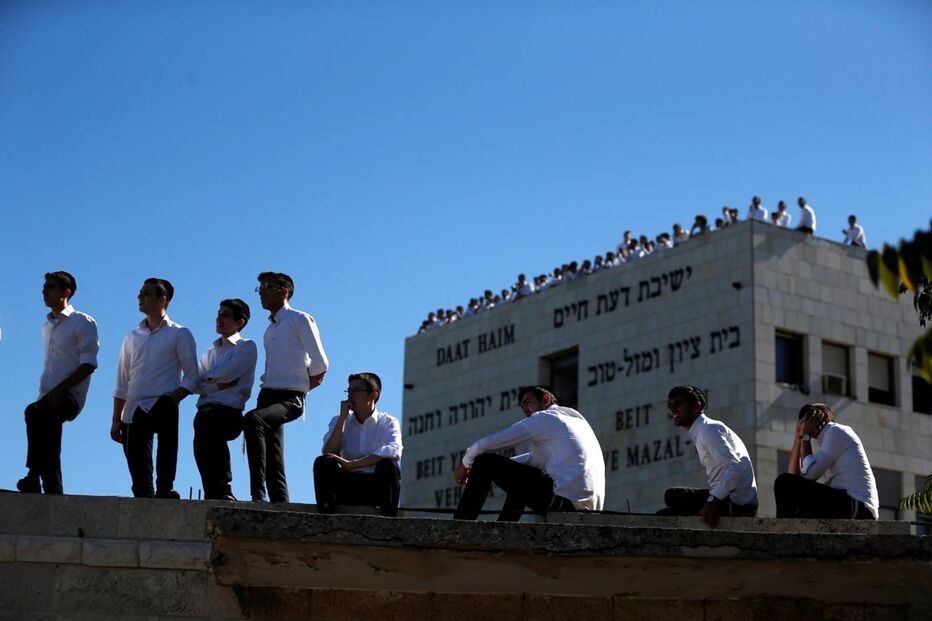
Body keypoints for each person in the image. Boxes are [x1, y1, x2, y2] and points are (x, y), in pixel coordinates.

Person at [453, 385, 605, 521]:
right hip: (584, 509)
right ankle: (505, 527)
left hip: (563, 502)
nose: (524, 410)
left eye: (527, 402)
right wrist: (481, 471)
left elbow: (487, 444)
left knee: (484, 461)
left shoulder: (544, 418)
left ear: (545, 399)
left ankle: (460, 524)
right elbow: (530, 461)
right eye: (521, 406)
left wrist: (466, 463)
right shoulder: (575, 420)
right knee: (520, 477)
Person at [244, 272, 329, 503]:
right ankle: (280, 503)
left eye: (267, 287)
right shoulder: (270, 329)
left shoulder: (299, 319)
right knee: (273, 456)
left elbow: (320, 363)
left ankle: (257, 495)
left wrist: (302, 388)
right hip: (268, 394)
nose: (261, 292)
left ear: (284, 291)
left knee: (253, 421)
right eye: (259, 287)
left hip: (290, 396)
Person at [112, 278, 199, 499]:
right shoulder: (131, 337)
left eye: (146, 294)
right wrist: (116, 419)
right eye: (140, 293)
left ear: (162, 299)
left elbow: (192, 376)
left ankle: (165, 489)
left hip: (163, 403)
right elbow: (122, 381)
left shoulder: (179, 333)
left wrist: (173, 398)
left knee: (166, 452)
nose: (140, 297)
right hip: (133, 409)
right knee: (139, 479)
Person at [17, 272, 99, 495]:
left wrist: (61, 389)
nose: (44, 291)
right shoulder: (47, 327)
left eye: (50, 287)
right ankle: (51, 487)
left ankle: (34, 476)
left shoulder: (82, 322)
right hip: (47, 397)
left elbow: (89, 363)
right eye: (44, 287)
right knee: (49, 440)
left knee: (35, 414)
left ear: (65, 293)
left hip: (69, 396)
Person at [656, 385, 758, 527]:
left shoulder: (708, 430)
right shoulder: (703, 430)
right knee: (673, 496)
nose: (672, 409)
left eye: (678, 404)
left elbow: (734, 470)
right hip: (727, 499)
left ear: (696, 406)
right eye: (670, 405)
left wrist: (712, 501)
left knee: (662, 517)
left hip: (736, 505)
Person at [191, 299, 257, 500]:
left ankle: (224, 489)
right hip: (204, 411)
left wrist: (209, 381)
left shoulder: (246, 346)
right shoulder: (209, 353)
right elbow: (195, 383)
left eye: (225, 315)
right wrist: (217, 383)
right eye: (219, 313)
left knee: (212, 431)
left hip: (229, 413)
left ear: (240, 322)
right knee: (201, 445)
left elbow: (229, 373)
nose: (219, 319)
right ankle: (213, 492)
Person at [314, 372, 402, 516]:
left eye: (356, 391)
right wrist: (342, 418)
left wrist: (352, 464)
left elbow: (394, 450)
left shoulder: (388, 422)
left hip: (374, 486)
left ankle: (388, 520)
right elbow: (328, 452)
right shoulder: (339, 421)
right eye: (349, 391)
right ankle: (326, 515)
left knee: (389, 465)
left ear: (373, 395)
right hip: (347, 486)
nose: (350, 395)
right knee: (323, 462)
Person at [774, 403, 878, 519]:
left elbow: (810, 475)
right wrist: (798, 438)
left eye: (812, 418)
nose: (807, 426)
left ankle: (784, 530)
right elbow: (795, 478)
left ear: (824, 415)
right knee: (788, 487)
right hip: (850, 505)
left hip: (859, 507)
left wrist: (806, 437)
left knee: (783, 482)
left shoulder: (836, 431)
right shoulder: (824, 445)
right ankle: (788, 529)